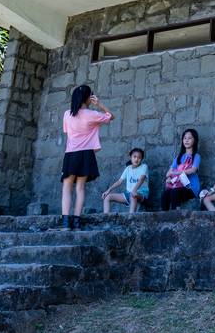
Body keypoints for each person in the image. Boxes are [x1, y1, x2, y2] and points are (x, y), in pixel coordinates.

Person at [61, 84, 114, 229]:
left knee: (66, 187)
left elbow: (67, 133)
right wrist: (100, 104)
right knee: (80, 187)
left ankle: (65, 222)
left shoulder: (67, 114)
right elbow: (111, 116)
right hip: (86, 154)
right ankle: (77, 221)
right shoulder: (92, 114)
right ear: (88, 98)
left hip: (71, 154)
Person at [161, 128, 201, 210]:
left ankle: (176, 214)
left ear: (195, 140)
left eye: (189, 138)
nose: (186, 140)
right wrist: (169, 178)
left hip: (191, 188)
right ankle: (164, 218)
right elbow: (168, 173)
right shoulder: (178, 158)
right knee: (165, 194)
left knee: (175, 192)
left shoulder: (196, 156)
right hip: (177, 185)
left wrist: (177, 172)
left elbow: (193, 170)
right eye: (185, 138)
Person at [101, 148, 149, 214]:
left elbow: (142, 179)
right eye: (134, 157)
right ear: (130, 157)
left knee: (133, 195)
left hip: (142, 194)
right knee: (107, 197)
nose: (136, 159)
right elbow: (119, 181)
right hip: (129, 194)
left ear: (141, 159)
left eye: (139, 157)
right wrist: (108, 190)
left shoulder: (144, 166)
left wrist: (134, 190)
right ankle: (105, 218)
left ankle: (130, 219)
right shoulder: (128, 168)